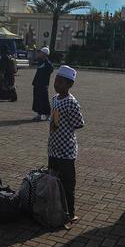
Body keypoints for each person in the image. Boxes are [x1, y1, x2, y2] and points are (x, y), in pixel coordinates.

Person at [48, 65, 84, 227]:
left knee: (68, 183)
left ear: (69, 85)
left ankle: (70, 212)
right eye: (56, 80)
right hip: (53, 147)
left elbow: (78, 123)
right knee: (52, 180)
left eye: (61, 82)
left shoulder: (72, 102)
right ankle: (54, 208)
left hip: (66, 150)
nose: (56, 84)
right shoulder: (54, 98)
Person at [31, 46, 53, 121]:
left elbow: (50, 70)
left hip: (43, 84)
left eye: (41, 52)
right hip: (37, 83)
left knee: (44, 99)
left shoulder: (48, 63)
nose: (39, 53)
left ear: (45, 54)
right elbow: (33, 60)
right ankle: (39, 114)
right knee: (37, 99)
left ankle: (48, 114)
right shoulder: (40, 61)